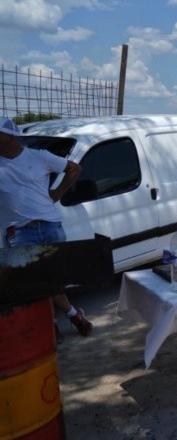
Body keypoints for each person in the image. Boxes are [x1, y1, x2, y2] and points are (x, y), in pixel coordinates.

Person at [0, 117, 92, 342]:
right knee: (33, 281)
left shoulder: (38, 156)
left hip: (50, 225)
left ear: (11, 137)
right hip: (20, 231)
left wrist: (56, 194)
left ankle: (55, 322)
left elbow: (74, 168)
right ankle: (70, 316)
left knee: (53, 278)